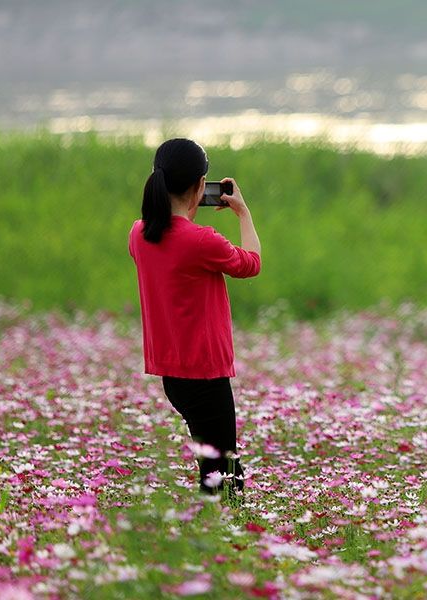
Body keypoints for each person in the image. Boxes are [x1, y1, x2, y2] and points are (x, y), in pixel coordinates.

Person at [127, 138, 261, 496]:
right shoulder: (202, 241)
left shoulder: (138, 234)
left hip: (172, 374)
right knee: (223, 470)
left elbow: (172, 246)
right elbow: (251, 263)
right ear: (201, 185)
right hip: (205, 373)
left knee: (214, 462)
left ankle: (215, 520)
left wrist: (186, 213)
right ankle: (218, 525)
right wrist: (243, 213)